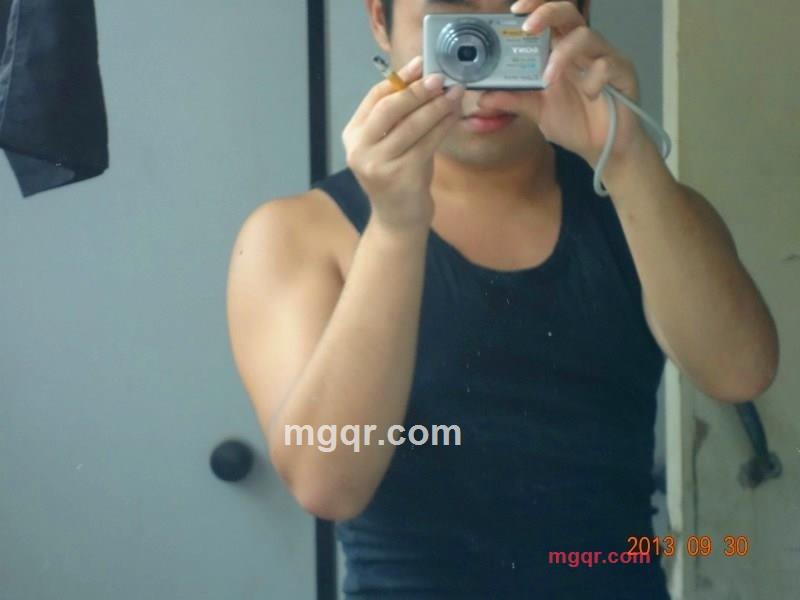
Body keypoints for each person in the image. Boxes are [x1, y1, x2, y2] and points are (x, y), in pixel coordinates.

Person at [226, 1, 779, 597]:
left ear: (573, 21)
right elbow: (327, 483)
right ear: (380, 21)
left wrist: (625, 155)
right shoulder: (298, 235)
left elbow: (740, 372)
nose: (481, 66)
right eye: (454, 26)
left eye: (515, 23)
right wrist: (395, 226)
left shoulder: (637, 203)